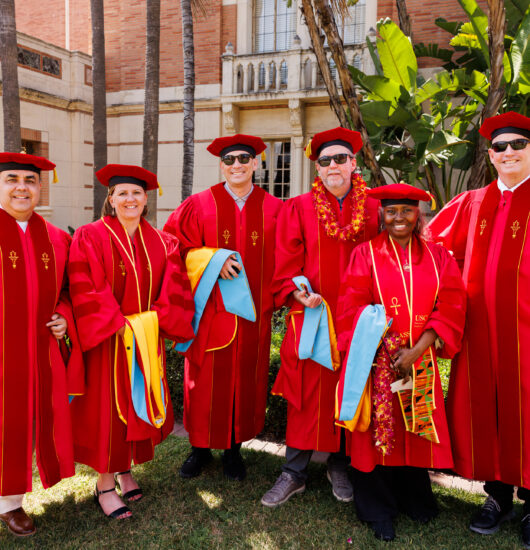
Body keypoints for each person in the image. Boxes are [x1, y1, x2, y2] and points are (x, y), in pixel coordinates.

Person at [337, 183, 466, 541]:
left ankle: (414, 498)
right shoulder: (365, 254)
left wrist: (417, 351)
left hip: (419, 360)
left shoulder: (438, 256)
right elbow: (352, 305)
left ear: (417, 215)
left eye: (406, 211)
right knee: (377, 435)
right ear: (382, 214)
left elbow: (452, 305)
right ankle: (377, 509)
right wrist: (385, 348)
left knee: (414, 432)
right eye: (392, 211)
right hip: (377, 361)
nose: (399, 218)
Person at [260, 127, 380, 508]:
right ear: (317, 168)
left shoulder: (375, 207)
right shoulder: (297, 208)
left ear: (353, 163)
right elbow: (286, 261)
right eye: (325, 160)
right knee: (305, 392)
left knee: (351, 388)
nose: (333, 166)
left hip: (359, 319)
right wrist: (297, 291)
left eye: (340, 158)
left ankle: (339, 465)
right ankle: (293, 472)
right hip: (311, 316)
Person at [68, 164, 194, 519]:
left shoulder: (162, 241)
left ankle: (125, 471)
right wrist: (118, 324)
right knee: (110, 412)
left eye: (136, 193)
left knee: (137, 407)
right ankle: (104, 485)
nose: (130, 199)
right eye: (122, 193)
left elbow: (174, 287)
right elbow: (87, 286)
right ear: (110, 199)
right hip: (109, 342)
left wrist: (153, 321)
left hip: (145, 338)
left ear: (146, 199)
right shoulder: (90, 236)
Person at [429, 112, 530, 545]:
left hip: (526, 335)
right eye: (500, 147)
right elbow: (432, 249)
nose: (508, 153)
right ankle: (497, 497)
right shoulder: (472, 203)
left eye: (518, 145)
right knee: (485, 410)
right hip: (479, 335)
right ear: (490, 155)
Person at [164, 134, 283, 481]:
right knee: (203, 383)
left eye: (244, 159)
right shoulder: (199, 204)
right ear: (221, 165)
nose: (237, 165)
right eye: (229, 160)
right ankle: (199, 449)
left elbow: (288, 258)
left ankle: (234, 450)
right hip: (210, 314)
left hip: (252, 317)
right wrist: (212, 260)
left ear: (256, 163)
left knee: (244, 383)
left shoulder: (275, 208)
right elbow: (175, 249)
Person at [0, 153, 83, 537]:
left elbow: (70, 291)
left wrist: (64, 316)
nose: (21, 187)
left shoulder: (57, 238)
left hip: (38, 352)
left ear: (39, 187)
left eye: (29, 181)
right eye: (12, 179)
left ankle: (11, 503)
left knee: (21, 424)